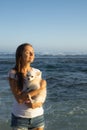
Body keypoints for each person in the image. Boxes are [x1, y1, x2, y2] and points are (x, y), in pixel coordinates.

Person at [8, 43, 47, 130]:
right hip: (20, 118)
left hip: (38, 117)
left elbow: (41, 96)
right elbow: (20, 99)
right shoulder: (13, 73)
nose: (32, 54)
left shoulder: (37, 72)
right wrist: (41, 88)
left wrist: (36, 104)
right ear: (20, 55)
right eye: (27, 52)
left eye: (33, 52)